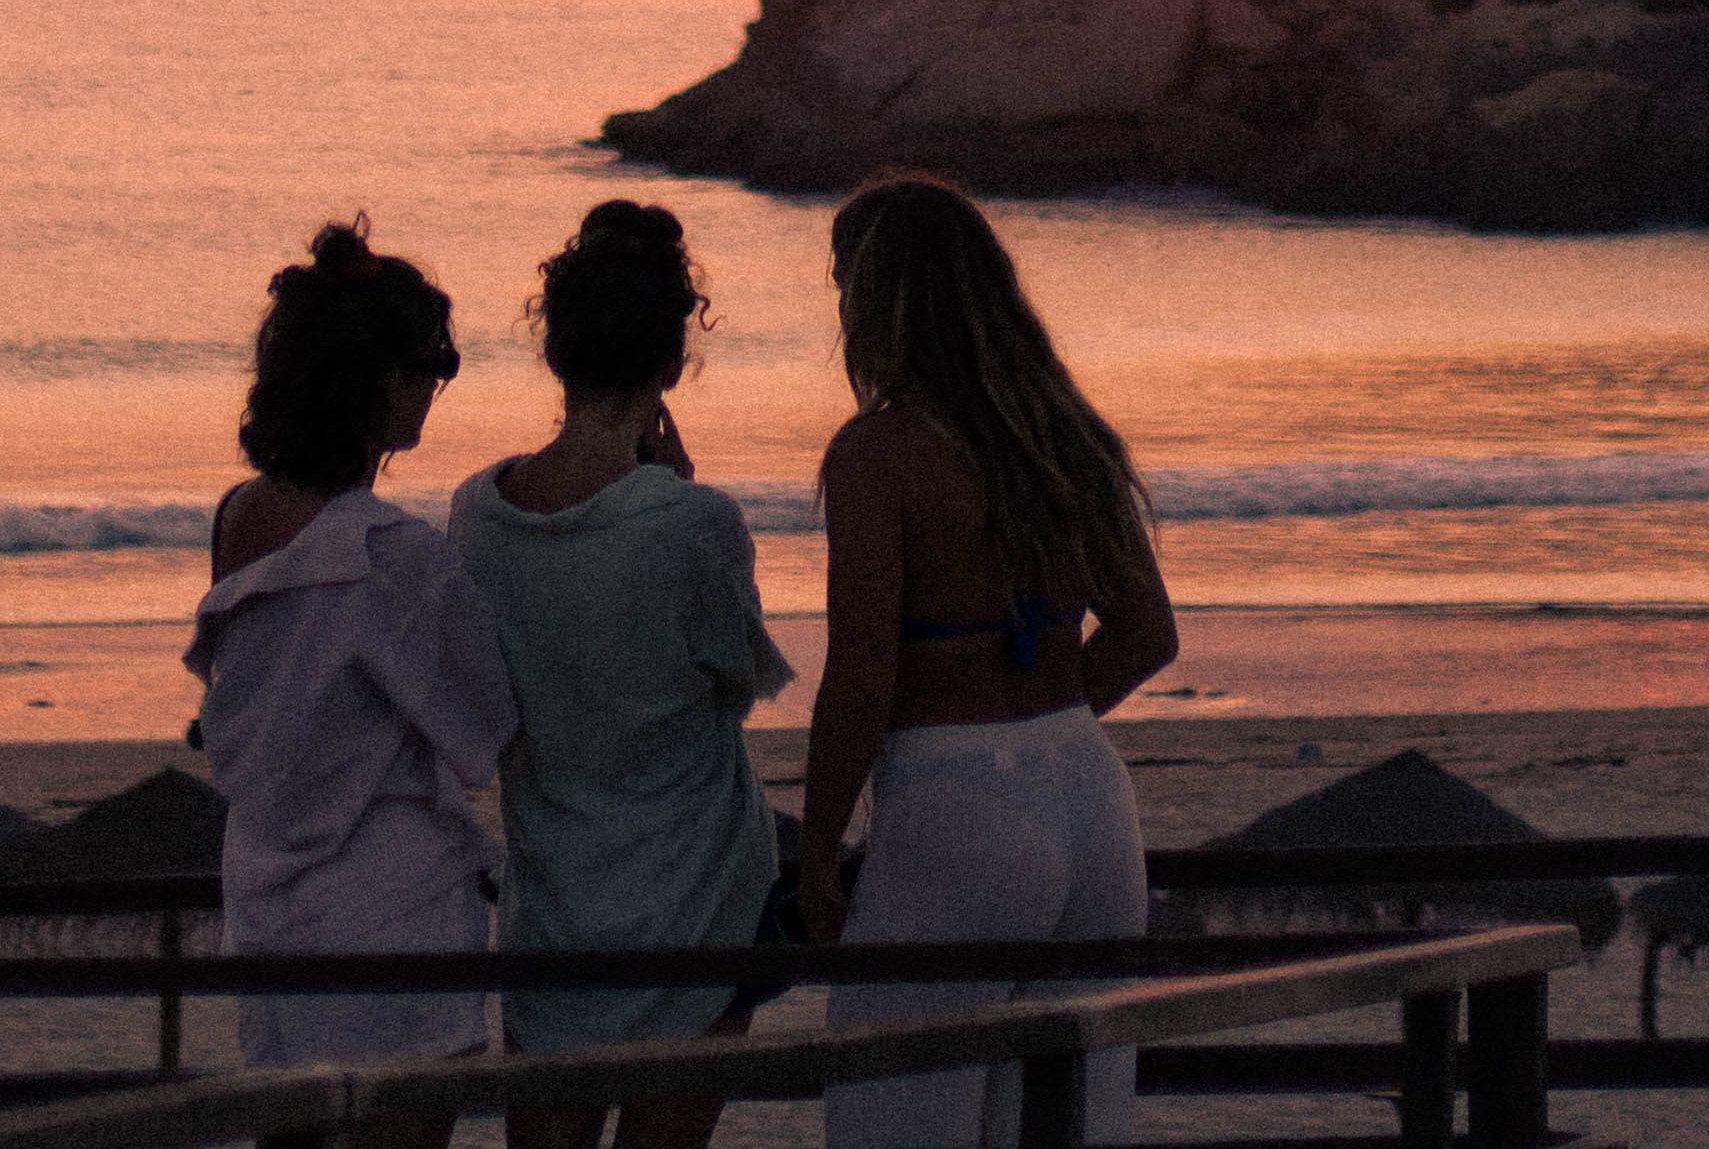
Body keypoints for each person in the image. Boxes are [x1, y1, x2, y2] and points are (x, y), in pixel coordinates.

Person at [800, 175, 1180, 1149]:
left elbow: (860, 677)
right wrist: (1041, 711)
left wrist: (816, 855)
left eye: (843, 281)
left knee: (898, 1114)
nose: (837, 304)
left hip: (956, 808)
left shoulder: (875, 454)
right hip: (1091, 803)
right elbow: (1145, 635)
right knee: (1067, 1123)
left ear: (880, 300)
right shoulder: (1064, 432)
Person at [449, 200, 792, 1149]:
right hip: (698, 889)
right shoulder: (693, 522)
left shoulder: (476, 513)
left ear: (555, 352)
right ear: (673, 359)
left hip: (556, 891)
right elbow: (738, 680)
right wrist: (674, 496)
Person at [184, 219, 517, 1149]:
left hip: (267, 896)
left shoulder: (238, 517)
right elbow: (485, 728)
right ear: (381, 384)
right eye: (433, 366)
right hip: (393, 907)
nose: (437, 389)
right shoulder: (393, 557)